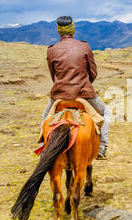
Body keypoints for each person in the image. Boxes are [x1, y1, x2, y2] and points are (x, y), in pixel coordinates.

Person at [41, 16, 110, 159]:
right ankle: (102, 147)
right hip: (84, 93)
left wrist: (62, 85)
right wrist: (84, 83)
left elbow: (53, 75)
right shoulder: (84, 46)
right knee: (105, 113)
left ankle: (44, 147)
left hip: (59, 95)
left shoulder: (51, 50)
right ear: (73, 29)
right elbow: (93, 73)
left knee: (45, 117)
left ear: (59, 31)